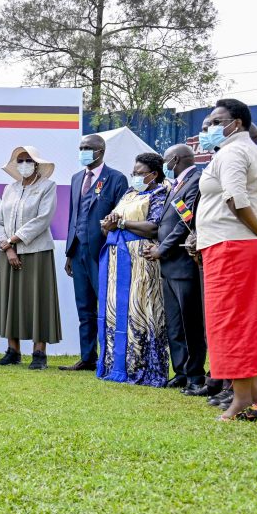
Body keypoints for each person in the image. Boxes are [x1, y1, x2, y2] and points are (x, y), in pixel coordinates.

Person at [195, 98, 257, 421]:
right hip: (249, 247)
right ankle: (251, 397)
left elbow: (235, 198)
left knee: (232, 322)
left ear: (237, 123)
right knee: (248, 321)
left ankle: (239, 400)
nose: (210, 128)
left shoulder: (233, 152)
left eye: (217, 121)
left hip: (233, 247)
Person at [96, 153, 169, 387]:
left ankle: (143, 367)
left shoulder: (160, 194)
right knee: (116, 309)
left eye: (139, 173)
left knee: (141, 309)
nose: (135, 177)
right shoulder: (129, 193)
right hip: (118, 258)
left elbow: (154, 227)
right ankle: (117, 365)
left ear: (153, 174)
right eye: (134, 173)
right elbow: (112, 222)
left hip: (142, 260)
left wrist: (121, 223)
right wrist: (108, 225)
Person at [60, 134, 128, 371]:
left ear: (101, 151)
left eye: (88, 148)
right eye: (81, 147)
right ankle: (87, 357)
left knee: (106, 305)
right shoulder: (77, 178)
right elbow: (73, 216)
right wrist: (70, 251)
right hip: (78, 251)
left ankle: (109, 357)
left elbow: (122, 216)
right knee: (84, 306)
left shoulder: (116, 179)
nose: (84, 151)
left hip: (102, 251)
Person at [0, 146, 61, 369]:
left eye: (28, 160)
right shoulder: (9, 188)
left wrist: (14, 240)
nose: (23, 164)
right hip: (8, 253)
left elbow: (42, 219)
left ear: (37, 163)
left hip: (36, 252)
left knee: (38, 300)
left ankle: (39, 354)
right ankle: (13, 351)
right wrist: (7, 247)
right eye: (19, 161)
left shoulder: (47, 187)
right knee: (11, 300)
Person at [145, 144, 207, 394]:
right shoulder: (177, 183)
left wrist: (163, 248)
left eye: (166, 159)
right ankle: (180, 370)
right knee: (174, 323)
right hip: (169, 265)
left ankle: (195, 374)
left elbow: (186, 221)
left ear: (176, 159)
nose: (164, 163)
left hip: (182, 261)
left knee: (190, 322)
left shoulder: (196, 180)